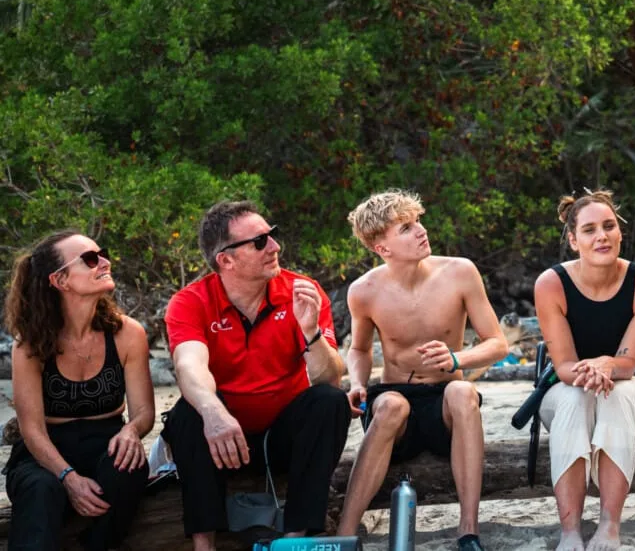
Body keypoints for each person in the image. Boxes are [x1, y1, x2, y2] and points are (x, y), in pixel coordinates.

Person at [162, 201, 350, 550]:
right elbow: (189, 366)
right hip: (217, 439)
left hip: (278, 439)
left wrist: (310, 332)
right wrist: (214, 412)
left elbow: (329, 377)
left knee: (330, 402)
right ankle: (205, 545)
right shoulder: (190, 301)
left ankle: (295, 538)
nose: (275, 247)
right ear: (226, 260)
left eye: (273, 236)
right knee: (188, 413)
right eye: (260, 241)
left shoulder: (301, 291)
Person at [336, 189, 508, 551]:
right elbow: (360, 348)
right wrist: (357, 383)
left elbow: (497, 343)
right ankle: (345, 535)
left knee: (462, 392)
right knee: (391, 406)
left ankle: (468, 531)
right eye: (406, 228)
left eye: (418, 221)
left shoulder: (460, 272)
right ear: (382, 247)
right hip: (397, 405)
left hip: (445, 402)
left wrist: (457, 360)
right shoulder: (363, 291)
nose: (420, 231)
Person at [533, 190, 635, 551]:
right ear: (573, 239)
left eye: (609, 227)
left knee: (615, 394)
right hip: (570, 385)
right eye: (590, 229)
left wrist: (607, 366)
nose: (602, 236)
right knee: (575, 399)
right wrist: (591, 371)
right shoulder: (551, 285)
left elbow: (628, 362)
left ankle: (610, 526)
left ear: (620, 233)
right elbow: (563, 365)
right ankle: (570, 532)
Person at [3, 231, 154, 551]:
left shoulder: (129, 333)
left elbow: (144, 413)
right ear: (60, 281)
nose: (104, 262)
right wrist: (68, 478)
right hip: (44, 450)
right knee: (42, 489)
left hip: (106, 440)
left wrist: (131, 430)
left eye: (103, 253)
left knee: (129, 465)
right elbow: (31, 430)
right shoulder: (29, 344)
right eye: (90, 259)